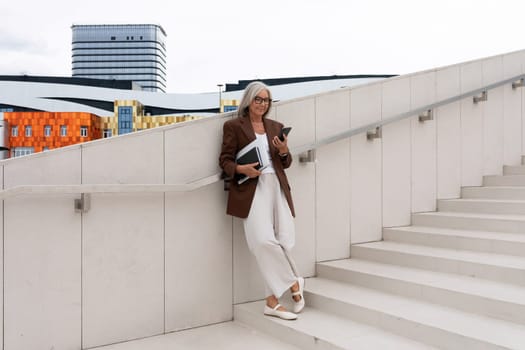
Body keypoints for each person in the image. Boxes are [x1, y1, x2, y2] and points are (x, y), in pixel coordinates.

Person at [219, 81, 304, 320]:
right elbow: (224, 160)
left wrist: (285, 150)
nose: (263, 104)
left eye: (266, 100)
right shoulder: (233, 126)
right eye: (258, 99)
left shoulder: (275, 126)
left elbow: (285, 163)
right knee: (262, 241)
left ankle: (272, 302)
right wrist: (241, 169)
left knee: (285, 240)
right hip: (251, 188)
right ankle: (295, 284)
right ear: (249, 100)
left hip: (276, 186)